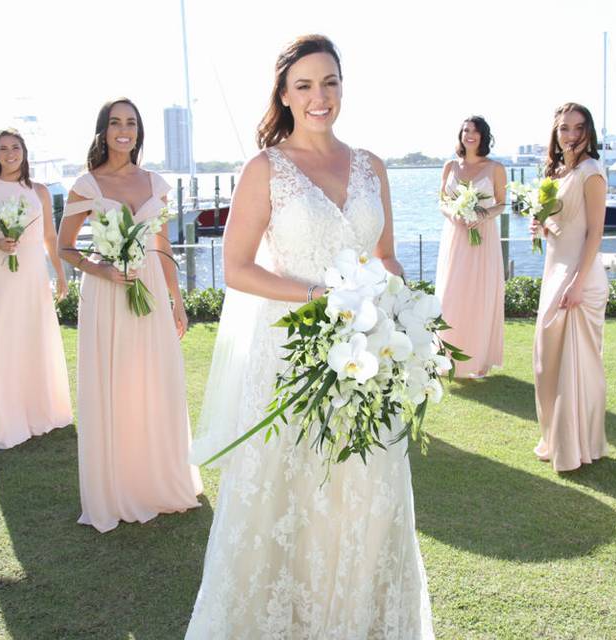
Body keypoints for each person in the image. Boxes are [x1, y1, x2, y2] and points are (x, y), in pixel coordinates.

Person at [186, 35, 434, 638]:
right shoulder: (266, 168)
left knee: (369, 499)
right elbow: (237, 267)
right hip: (292, 358)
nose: (319, 96)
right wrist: (317, 300)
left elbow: (386, 258)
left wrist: (410, 319)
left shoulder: (372, 166)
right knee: (288, 499)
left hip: (370, 359)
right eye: (305, 85)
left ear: (343, 87)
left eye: (330, 82)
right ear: (285, 94)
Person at [57, 98, 202, 533]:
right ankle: (118, 488)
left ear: (139, 132)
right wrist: (101, 269)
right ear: (103, 131)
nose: (124, 129)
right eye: (116, 122)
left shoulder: (156, 183)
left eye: (132, 123)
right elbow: (65, 247)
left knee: (156, 381)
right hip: (107, 293)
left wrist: (176, 299)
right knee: (115, 384)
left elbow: (161, 245)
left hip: (152, 288)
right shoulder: (87, 185)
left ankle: (160, 481)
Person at [0, 128, 72, 449]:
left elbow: (50, 237)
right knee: (3, 342)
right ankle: (7, 421)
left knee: (36, 338)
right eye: (3, 149)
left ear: (24, 152)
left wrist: (61, 275)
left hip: (33, 276)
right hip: (1, 275)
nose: (10, 154)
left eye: (15, 147)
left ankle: (43, 413)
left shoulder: (40, 190)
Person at [531, 103, 609, 471]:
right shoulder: (559, 172)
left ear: (589, 132)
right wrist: (543, 226)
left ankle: (580, 444)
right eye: (564, 128)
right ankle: (555, 436)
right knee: (548, 361)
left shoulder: (591, 173)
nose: (571, 134)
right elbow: (565, 226)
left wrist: (578, 283)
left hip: (580, 275)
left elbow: (595, 233)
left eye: (579, 127)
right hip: (555, 270)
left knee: (577, 365)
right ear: (555, 133)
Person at [434, 116, 506, 378]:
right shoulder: (450, 166)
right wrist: (453, 214)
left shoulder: (495, 167)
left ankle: (478, 359)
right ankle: (446, 357)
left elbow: (501, 203)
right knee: (451, 294)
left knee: (480, 295)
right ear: (460, 135)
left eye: (475, 131)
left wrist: (483, 216)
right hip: (455, 237)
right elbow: (442, 201)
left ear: (483, 136)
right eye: (465, 130)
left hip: (482, 238)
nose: (470, 135)